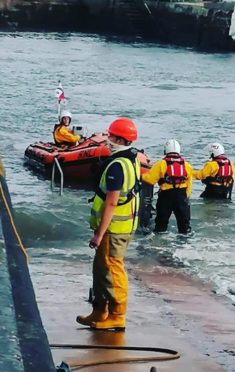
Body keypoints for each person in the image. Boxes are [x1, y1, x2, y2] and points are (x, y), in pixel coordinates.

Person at [77, 117, 141, 331]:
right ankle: (100, 309)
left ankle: (117, 314)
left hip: (114, 229)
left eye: (111, 136)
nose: (108, 139)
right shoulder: (131, 160)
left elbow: (112, 202)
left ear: (120, 139)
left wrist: (99, 233)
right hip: (116, 227)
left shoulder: (117, 166)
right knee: (100, 269)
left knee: (112, 270)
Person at [141, 139, 193, 234]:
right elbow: (189, 184)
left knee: (161, 223)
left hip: (166, 196)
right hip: (182, 196)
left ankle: (160, 243)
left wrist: (141, 175)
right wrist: (185, 197)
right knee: (184, 225)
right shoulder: (187, 165)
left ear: (166, 150)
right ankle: (185, 245)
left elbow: (150, 180)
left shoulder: (161, 164)